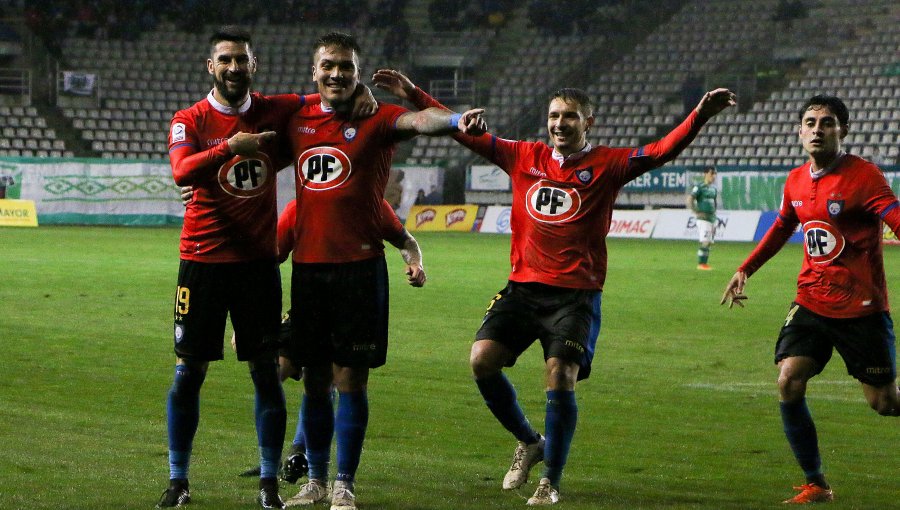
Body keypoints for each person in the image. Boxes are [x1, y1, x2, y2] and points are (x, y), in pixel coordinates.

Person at [373, 68, 735, 506]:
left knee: (560, 377)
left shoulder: (608, 164)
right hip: (522, 289)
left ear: (589, 123)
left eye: (570, 116)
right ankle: (529, 441)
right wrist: (412, 92)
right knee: (481, 362)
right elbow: (460, 129)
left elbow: (661, 150)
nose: (560, 123)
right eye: (554, 115)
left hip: (575, 295)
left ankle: (552, 481)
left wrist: (700, 114)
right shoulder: (523, 155)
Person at [161, 26, 375, 509]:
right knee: (188, 373)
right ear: (210, 67)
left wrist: (361, 90)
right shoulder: (188, 119)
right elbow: (180, 170)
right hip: (201, 261)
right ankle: (178, 480)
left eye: (242, 59)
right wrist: (230, 148)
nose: (234, 67)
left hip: (257, 266)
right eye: (225, 60)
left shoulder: (276, 108)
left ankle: (268, 484)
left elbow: (325, 90)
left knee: (265, 372)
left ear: (253, 65)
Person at [283, 32, 486, 510]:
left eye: (346, 68)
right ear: (314, 71)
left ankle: (344, 484)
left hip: (359, 272)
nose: (337, 74)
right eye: (328, 65)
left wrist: (456, 118)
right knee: (314, 381)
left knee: (351, 380)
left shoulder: (376, 117)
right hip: (309, 270)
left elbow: (421, 120)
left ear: (357, 73)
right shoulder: (294, 115)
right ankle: (313, 480)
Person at [720, 95, 900, 505]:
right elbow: (783, 226)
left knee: (885, 403)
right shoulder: (796, 180)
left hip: (862, 309)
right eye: (810, 122)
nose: (818, 129)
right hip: (812, 301)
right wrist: (745, 267)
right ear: (799, 131)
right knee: (788, 379)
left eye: (828, 123)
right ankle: (816, 483)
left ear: (844, 131)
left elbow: (894, 216)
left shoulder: (865, 176)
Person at [236, 197, 427, 481]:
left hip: (355, 298)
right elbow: (268, 260)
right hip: (309, 304)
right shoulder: (297, 208)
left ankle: (314, 463)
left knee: (337, 377)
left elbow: (406, 241)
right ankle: (276, 459)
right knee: (280, 375)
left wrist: (416, 264)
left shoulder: (371, 204)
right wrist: (250, 316)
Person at [687, 166, 718, 270]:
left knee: (709, 242)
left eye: (714, 174)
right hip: (703, 218)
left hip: (712, 218)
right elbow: (690, 199)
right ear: (705, 174)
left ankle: (705, 263)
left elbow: (714, 203)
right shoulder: (699, 187)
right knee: (705, 241)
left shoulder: (713, 189)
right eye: (711, 174)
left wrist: (714, 212)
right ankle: (701, 264)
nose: (713, 176)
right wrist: (696, 212)